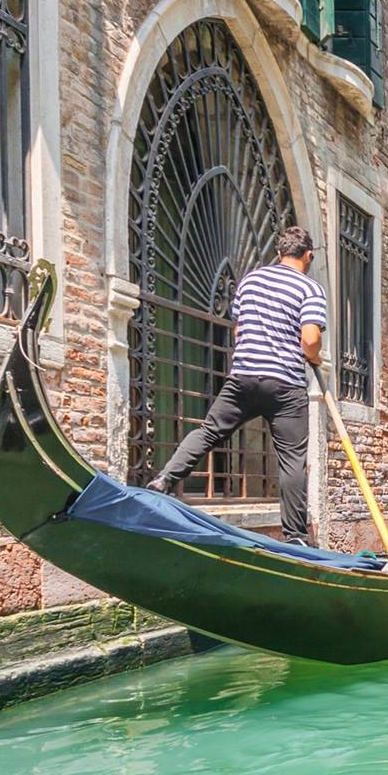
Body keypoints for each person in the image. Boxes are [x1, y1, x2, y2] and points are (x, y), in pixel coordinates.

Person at [147, 226, 326, 545]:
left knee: (208, 431)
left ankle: (164, 479)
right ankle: (296, 536)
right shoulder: (309, 288)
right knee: (292, 459)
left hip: (243, 376)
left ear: (280, 252)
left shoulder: (250, 281)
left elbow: (238, 331)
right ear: (308, 254)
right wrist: (315, 356)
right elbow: (310, 339)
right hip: (286, 384)